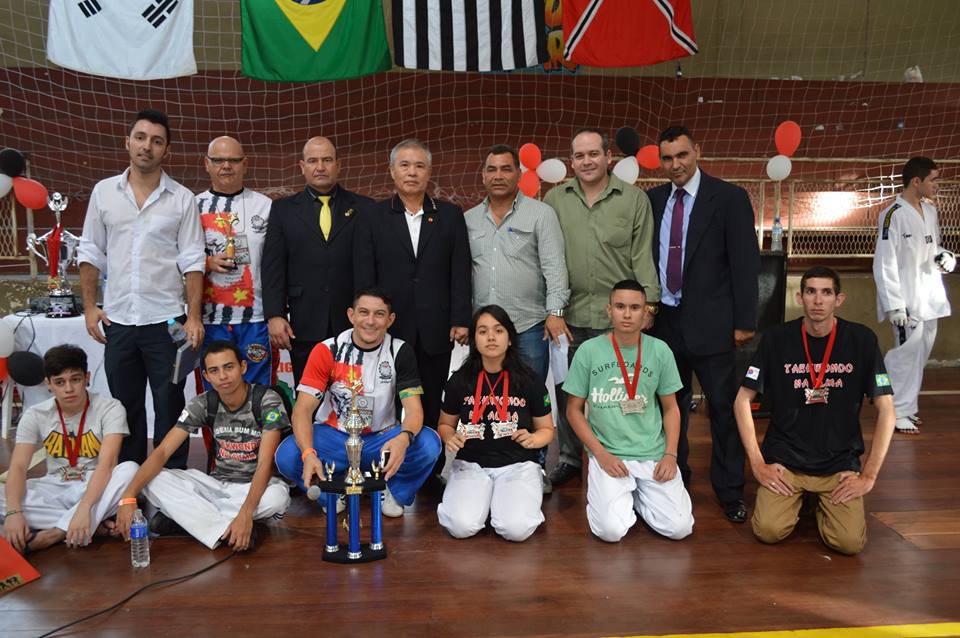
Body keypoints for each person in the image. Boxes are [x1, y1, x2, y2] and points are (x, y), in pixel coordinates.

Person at [734, 267, 896, 555]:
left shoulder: (862, 340)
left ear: (839, 299)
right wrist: (758, 464)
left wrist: (869, 475)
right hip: (787, 461)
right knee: (768, 531)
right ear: (800, 297)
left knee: (848, 544)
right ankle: (804, 497)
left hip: (838, 464)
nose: (818, 301)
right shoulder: (777, 339)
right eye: (810, 292)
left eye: (826, 293)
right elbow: (741, 400)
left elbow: (887, 410)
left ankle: (817, 501)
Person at [78, 108, 205, 470]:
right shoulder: (104, 193)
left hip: (168, 323)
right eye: (140, 137)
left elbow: (193, 260)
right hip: (118, 321)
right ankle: (127, 485)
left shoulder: (182, 199)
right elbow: (90, 252)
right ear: (128, 142)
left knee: (170, 405)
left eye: (156, 141)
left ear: (166, 150)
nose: (147, 146)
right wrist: (90, 307)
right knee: (124, 406)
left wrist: (193, 316)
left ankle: (171, 486)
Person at [646, 125, 760, 523]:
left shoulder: (728, 198)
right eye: (667, 158)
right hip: (665, 325)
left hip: (715, 325)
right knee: (669, 408)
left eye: (681, 155)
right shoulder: (654, 199)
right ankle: (675, 480)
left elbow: (746, 263)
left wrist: (745, 320)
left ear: (697, 151)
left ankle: (730, 491)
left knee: (724, 411)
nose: (675, 164)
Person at [544, 128, 659, 488]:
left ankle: (620, 454)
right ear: (571, 161)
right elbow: (548, 259)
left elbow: (642, 255)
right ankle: (569, 459)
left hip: (619, 318)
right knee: (568, 393)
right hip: (570, 317)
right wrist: (554, 310)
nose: (587, 161)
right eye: (579, 156)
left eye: (594, 154)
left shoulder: (634, 200)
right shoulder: (554, 200)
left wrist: (648, 304)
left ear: (609, 156)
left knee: (620, 391)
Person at [274, 288, 442, 517]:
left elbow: (414, 410)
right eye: (364, 312)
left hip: (381, 439)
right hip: (335, 436)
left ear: (390, 320)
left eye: (379, 314)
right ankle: (330, 492)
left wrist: (404, 438)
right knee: (287, 454)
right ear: (351, 315)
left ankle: (393, 490)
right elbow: (302, 411)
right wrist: (308, 454)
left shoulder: (400, 350)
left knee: (429, 443)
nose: (370, 321)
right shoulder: (327, 350)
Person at [115, 341, 291, 551]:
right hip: (217, 486)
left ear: (243, 367)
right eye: (214, 371)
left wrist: (246, 512)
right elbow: (162, 452)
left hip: (257, 486)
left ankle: (196, 520)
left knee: (277, 499)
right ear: (206, 376)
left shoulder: (266, 399)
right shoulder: (202, 403)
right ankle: (227, 528)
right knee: (154, 479)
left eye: (229, 367)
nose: (223, 376)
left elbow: (265, 463)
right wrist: (128, 497)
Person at [354, 139, 472, 440]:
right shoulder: (373, 215)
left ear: (429, 172)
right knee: (386, 397)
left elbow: (459, 270)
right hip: (389, 325)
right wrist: (368, 318)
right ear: (392, 171)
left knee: (432, 397)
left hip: (436, 326)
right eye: (404, 165)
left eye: (419, 165)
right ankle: (385, 459)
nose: (412, 172)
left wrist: (460, 318)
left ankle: (429, 466)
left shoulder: (450, 215)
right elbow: (365, 273)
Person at [563, 280, 693, 543]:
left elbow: (671, 408)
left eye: (635, 307)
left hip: (652, 454)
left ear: (645, 313)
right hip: (611, 456)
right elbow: (573, 411)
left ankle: (634, 497)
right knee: (610, 532)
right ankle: (621, 496)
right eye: (620, 306)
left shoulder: (660, 351)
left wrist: (670, 455)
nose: (627, 313)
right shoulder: (588, 351)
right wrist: (600, 454)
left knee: (680, 528)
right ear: (608, 310)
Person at [1, 345, 137, 554]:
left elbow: (107, 464)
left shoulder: (110, 408)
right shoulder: (35, 414)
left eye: (75, 379)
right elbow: (18, 467)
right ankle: (91, 523)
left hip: (94, 486)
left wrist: (85, 509)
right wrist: (13, 513)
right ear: (48, 384)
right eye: (59, 382)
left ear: (87, 377)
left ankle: (55, 533)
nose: (68, 389)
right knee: (6, 496)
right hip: (54, 486)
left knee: (129, 470)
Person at [261, 136, 373, 386]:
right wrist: (275, 315)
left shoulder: (365, 208)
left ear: (339, 165)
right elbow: (273, 267)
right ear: (302, 167)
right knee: (310, 395)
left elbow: (372, 267)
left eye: (327, 160)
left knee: (357, 394)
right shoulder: (283, 210)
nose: (320, 167)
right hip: (304, 321)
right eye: (313, 161)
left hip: (355, 321)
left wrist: (369, 314)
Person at [437, 305, 555, 542]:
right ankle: (486, 500)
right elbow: (444, 424)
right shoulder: (459, 380)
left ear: (510, 338)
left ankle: (504, 499)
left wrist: (533, 439)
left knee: (516, 530)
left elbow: (546, 430)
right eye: (482, 331)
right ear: (474, 340)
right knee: (461, 527)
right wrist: (450, 437)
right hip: (471, 463)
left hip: (518, 465)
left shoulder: (529, 380)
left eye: (498, 330)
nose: (491, 337)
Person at [465, 145, 570, 383]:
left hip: (528, 328)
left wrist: (555, 312)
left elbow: (555, 267)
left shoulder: (541, 214)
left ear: (519, 174)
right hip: (484, 331)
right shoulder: (468, 219)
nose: (498, 176)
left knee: (529, 400)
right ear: (483, 176)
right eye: (492, 170)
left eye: (506, 169)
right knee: (485, 399)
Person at [872, 156, 954, 434]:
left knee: (919, 355)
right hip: (907, 302)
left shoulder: (930, 212)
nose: (937, 185)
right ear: (916, 181)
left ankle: (907, 408)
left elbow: (935, 247)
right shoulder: (892, 215)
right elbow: (884, 262)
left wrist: (946, 257)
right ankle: (894, 411)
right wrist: (894, 304)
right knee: (903, 356)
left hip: (930, 297)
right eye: (933, 180)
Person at [197, 136, 274, 385]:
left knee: (258, 392)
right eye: (218, 160)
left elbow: (276, 264)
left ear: (245, 164)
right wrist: (205, 263)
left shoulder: (265, 206)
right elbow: (177, 257)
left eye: (233, 160)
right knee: (214, 393)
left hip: (255, 318)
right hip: (209, 319)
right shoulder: (192, 206)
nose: (226, 165)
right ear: (207, 164)